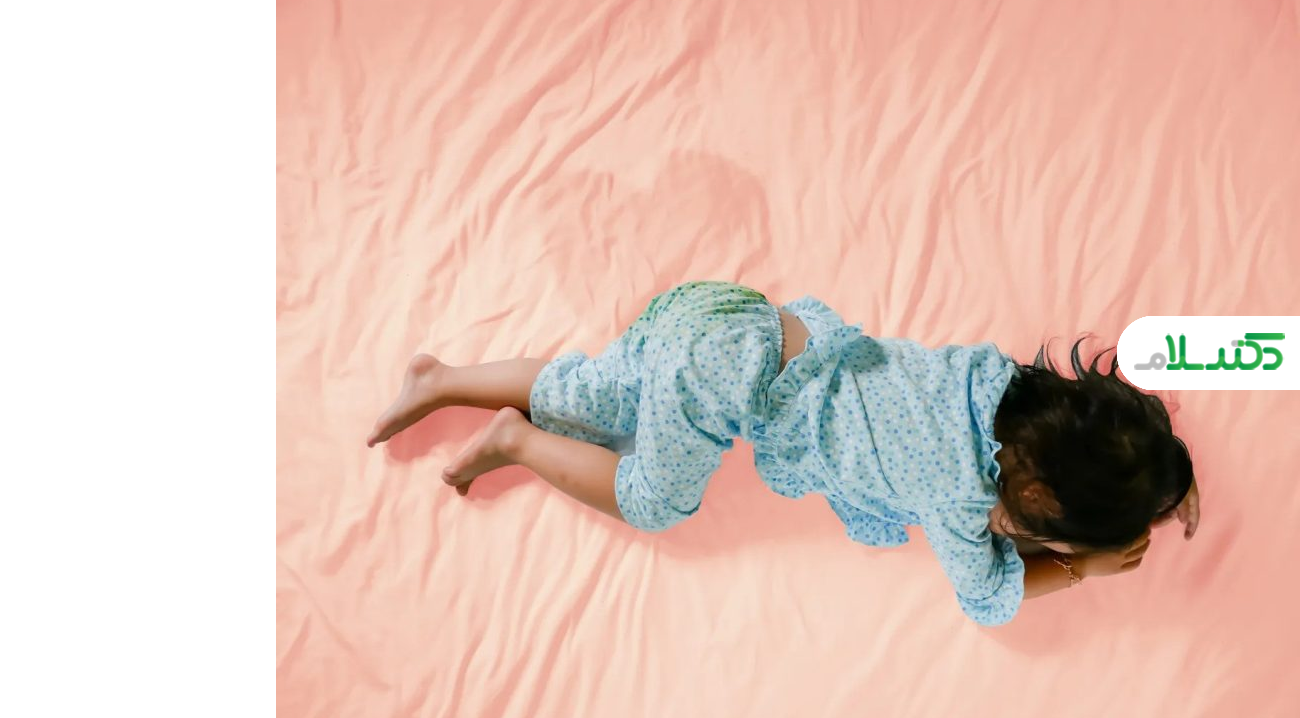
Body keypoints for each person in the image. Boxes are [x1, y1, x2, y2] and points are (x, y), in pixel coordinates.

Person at [366, 281, 1200, 625]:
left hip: (737, 318)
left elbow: (1090, 434)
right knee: (655, 499)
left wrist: (1160, 475)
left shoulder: (990, 377)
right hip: (719, 384)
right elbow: (986, 596)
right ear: (1039, 501)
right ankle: (513, 439)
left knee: (600, 395)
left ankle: (442, 378)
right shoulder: (958, 493)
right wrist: (1081, 565)